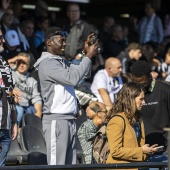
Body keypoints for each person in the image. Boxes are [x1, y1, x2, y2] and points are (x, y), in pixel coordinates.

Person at [33, 27, 99, 165]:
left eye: (65, 41)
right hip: (56, 120)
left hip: (69, 120)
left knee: (69, 166)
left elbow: (84, 73)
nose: (65, 44)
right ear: (49, 42)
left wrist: (84, 53)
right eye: (61, 40)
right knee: (57, 165)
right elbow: (73, 79)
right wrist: (87, 57)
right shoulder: (48, 63)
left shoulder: (60, 62)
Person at [106, 82, 159, 165]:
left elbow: (135, 147)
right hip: (121, 167)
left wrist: (146, 152)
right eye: (141, 99)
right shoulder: (117, 120)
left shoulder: (138, 119)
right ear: (130, 99)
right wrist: (141, 150)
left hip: (136, 165)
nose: (144, 102)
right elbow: (115, 151)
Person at [130, 60, 170, 162]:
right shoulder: (129, 92)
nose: (140, 87)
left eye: (143, 84)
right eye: (136, 83)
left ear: (150, 76)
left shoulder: (165, 90)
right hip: (139, 151)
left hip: (163, 150)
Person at [8, 52, 42, 127]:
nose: (21, 65)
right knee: (19, 111)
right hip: (14, 105)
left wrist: (39, 111)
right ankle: (13, 131)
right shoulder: (10, 74)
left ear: (29, 65)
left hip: (27, 106)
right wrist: (14, 59)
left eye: (24, 63)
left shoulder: (32, 81)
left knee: (33, 112)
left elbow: (36, 98)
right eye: (19, 62)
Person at [0, 28, 18, 166]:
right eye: (0, 37)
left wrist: (14, 121)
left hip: (4, 127)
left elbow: (10, 93)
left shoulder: (4, 64)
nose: (3, 40)